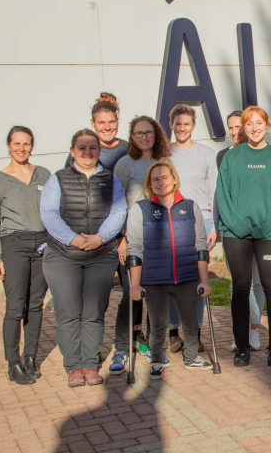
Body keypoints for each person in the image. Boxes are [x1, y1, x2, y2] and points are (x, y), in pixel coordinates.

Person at [40, 129, 126, 388]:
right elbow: (49, 213)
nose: (88, 152)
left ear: (99, 151)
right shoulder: (58, 179)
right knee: (68, 311)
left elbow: (118, 211)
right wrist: (74, 239)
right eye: (82, 148)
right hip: (63, 255)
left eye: (92, 148)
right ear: (72, 151)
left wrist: (100, 238)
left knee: (94, 311)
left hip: (100, 255)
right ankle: (73, 366)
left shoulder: (112, 180)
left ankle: (89, 362)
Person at [216, 106, 271, 368]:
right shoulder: (232, 157)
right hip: (236, 234)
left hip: (269, 233)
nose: (255, 128)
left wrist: (263, 228)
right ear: (243, 128)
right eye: (249, 124)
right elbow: (223, 196)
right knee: (240, 288)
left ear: (267, 125)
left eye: (259, 123)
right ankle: (242, 347)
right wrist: (238, 226)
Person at [126, 160, 213, 379]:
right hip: (154, 280)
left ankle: (192, 358)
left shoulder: (190, 207)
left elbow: (200, 246)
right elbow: (135, 247)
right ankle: (156, 360)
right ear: (149, 184)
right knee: (158, 325)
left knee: (191, 323)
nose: (161, 182)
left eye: (165, 177)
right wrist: (135, 284)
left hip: (187, 277)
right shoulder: (140, 209)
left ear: (174, 179)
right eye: (155, 179)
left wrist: (205, 280)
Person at [0, 126, 51, 385]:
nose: (21, 148)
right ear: (8, 145)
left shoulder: (44, 175)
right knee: (15, 305)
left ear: (32, 146)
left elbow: (52, 211)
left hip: (42, 244)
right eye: (17, 143)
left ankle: (30, 357)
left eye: (26, 144)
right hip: (13, 243)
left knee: (35, 303)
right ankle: (13, 363)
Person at [109, 116, 171, 375]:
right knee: (129, 296)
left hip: (158, 240)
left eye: (148, 133)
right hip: (131, 240)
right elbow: (115, 204)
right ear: (131, 137)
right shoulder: (124, 164)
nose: (144, 137)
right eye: (138, 134)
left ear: (156, 135)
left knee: (154, 296)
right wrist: (121, 238)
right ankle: (122, 347)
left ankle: (150, 345)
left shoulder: (165, 163)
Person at [167, 104, 218, 353]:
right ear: (171, 125)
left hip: (202, 221)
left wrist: (214, 226)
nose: (182, 128)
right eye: (178, 124)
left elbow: (214, 191)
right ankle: (174, 332)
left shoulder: (207, 153)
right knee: (172, 278)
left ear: (194, 126)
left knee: (199, 278)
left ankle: (195, 331)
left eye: (186, 124)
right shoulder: (163, 153)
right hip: (170, 222)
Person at [217, 111, 266, 352]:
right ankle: (240, 333)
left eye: (240, 127)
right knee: (238, 283)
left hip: (258, 231)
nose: (236, 132)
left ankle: (254, 330)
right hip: (232, 230)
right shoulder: (223, 156)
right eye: (232, 128)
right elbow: (221, 195)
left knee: (256, 282)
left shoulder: (262, 154)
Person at [65, 92, 128, 172]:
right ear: (92, 123)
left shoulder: (128, 149)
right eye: (101, 123)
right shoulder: (81, 151)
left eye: (111, 122)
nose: (107, 127)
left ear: (117, 121)